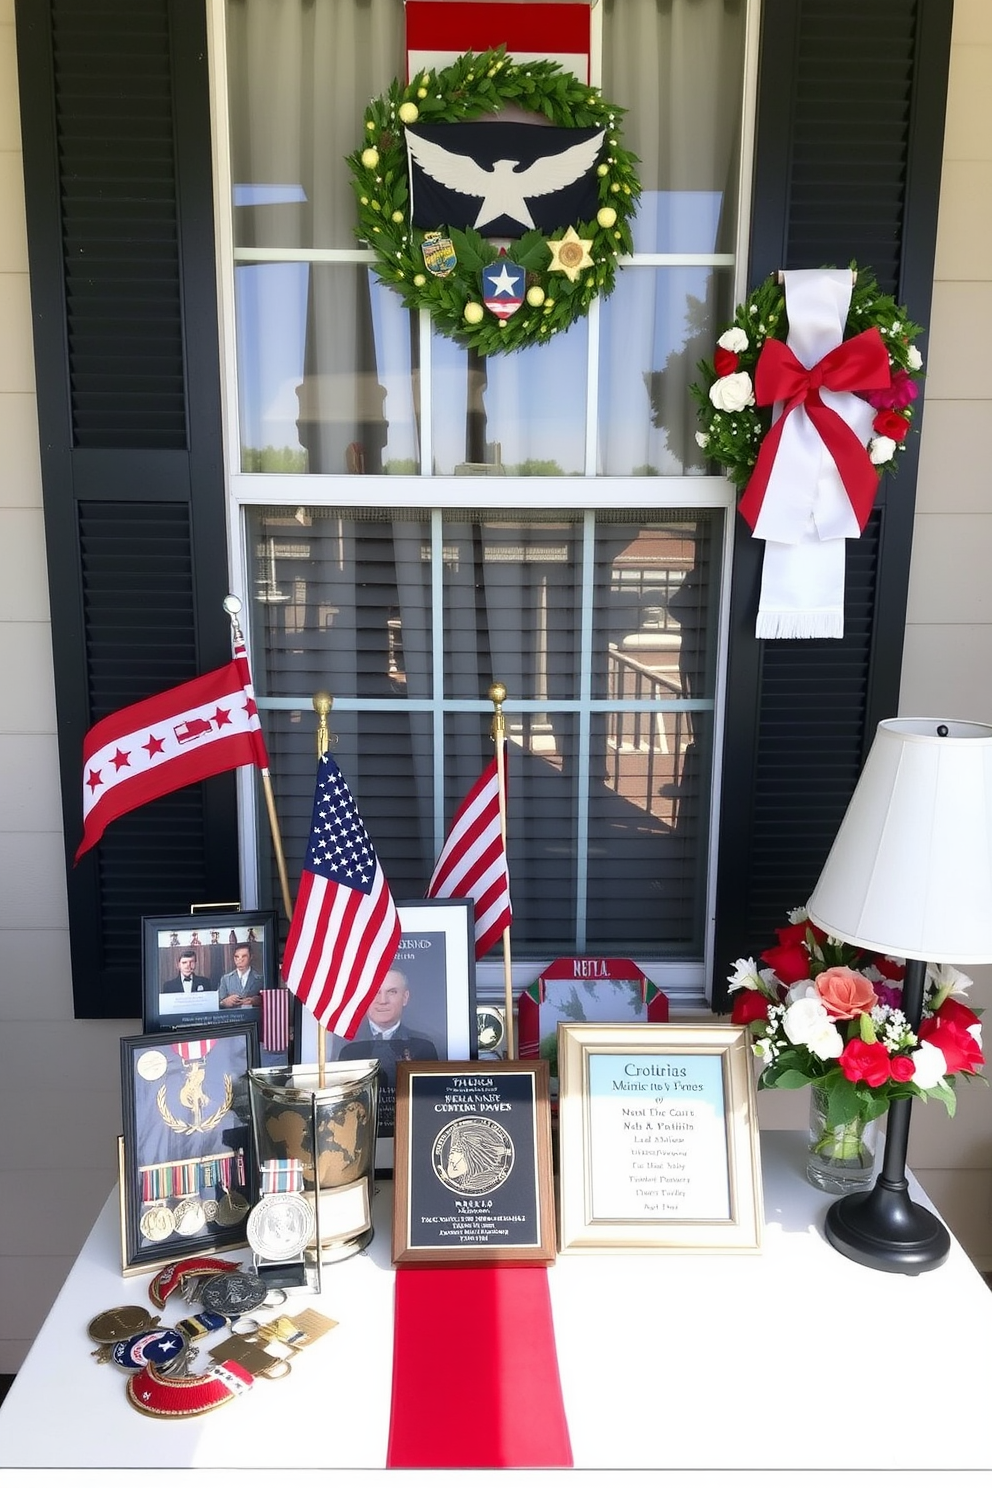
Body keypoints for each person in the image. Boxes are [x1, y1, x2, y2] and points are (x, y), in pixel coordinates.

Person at [338, 966, 438, 1135]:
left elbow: (430, 1107)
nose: (382, 1000)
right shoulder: (345, 1046)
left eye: (392, 992)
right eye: (375, 992)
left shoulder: (424, 1046)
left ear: (405, 997)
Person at [217, 944, 264, 1008]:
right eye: (237, 957)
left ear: (251, 957)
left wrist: (257, 1001)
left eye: (244, 956)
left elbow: (269, 1000)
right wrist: (224, 1002)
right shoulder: (226, 979)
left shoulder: (260, 979)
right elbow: (217, 1003)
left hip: (253, 1016)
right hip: (232, 1017)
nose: (240, 960)